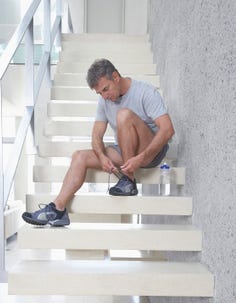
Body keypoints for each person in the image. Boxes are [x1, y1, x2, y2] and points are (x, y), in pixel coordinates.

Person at [22, 58, 174, 227]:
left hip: (151, 151)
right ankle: (57, 210)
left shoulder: (145, 92)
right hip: (125, 150)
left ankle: (129, 181)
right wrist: (101, 157)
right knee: (79, 156)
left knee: (123, 115)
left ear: (116, 77)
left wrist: (140, 158)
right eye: (100, 93)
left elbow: (167, 130)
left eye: (105, 89)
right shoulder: (104, 101)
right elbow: (96, 136)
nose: (104, 96)